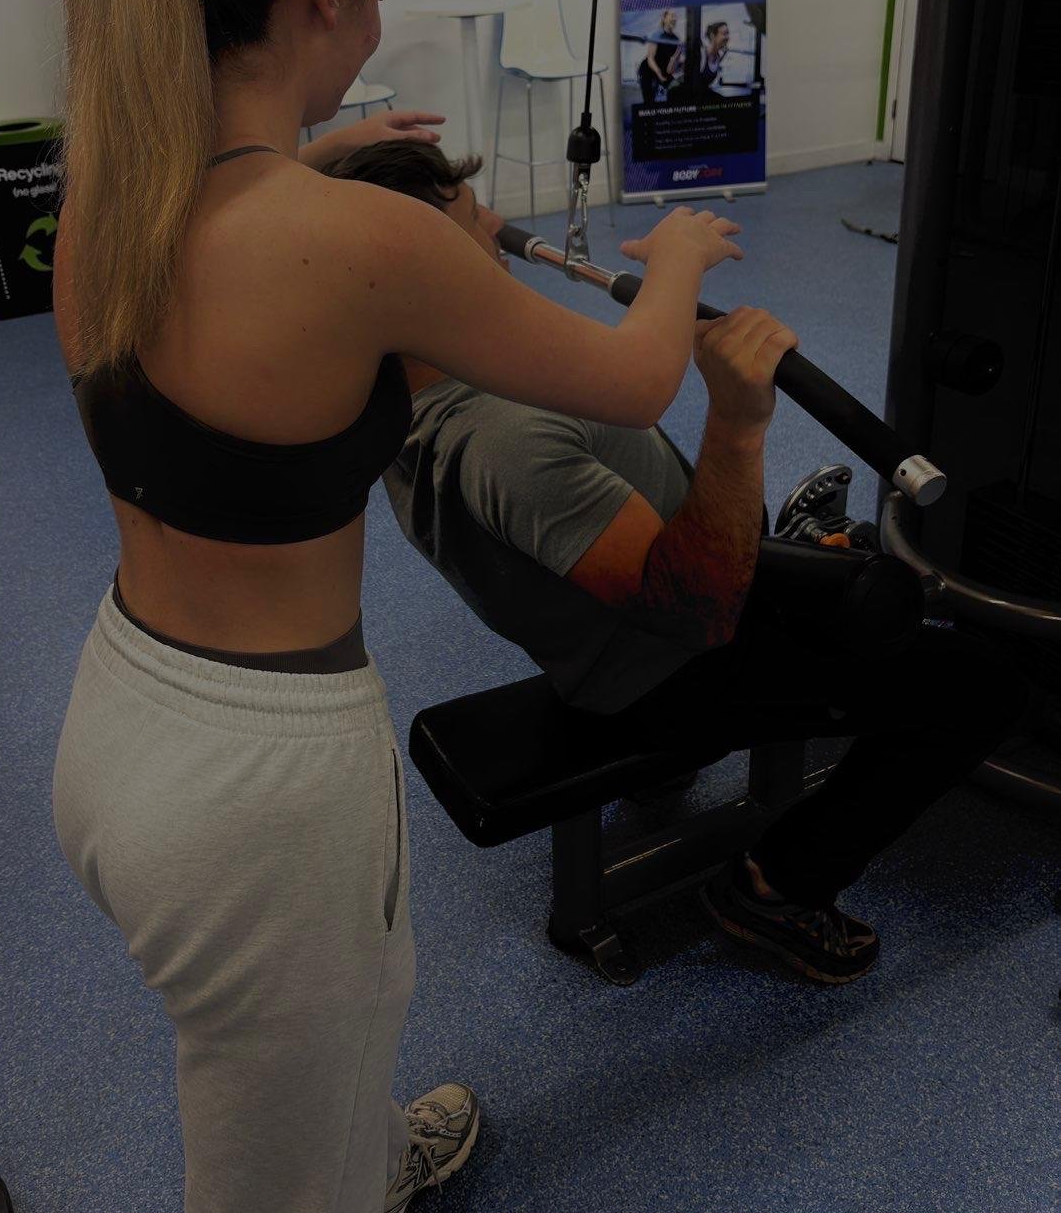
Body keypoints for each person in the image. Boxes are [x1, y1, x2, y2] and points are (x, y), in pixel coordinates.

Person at [48, 0, 742, 1212]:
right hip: (259, 794)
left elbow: (246, 219)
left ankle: (353, 1155)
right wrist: (670, 267)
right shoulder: (364, 249)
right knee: (269, 1178)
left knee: (297, 1065)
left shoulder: (114, 186)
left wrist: (319, 152)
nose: (372, 15)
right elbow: (632, 379)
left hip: (124, 718)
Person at [324, 139, 1032, 987]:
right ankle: (775, 889)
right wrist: (737, 417)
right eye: (476, 220)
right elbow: (697, 608)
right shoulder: (501, 440)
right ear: (430, 269)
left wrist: (337, 160)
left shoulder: (404, 371)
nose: (501, 233)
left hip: (636, 614)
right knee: (984, 683)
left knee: (801, 562)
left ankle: (793, 549)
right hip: (680, 657)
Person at [636, 8, 683, 103]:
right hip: (649, 68)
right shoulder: (657, 34)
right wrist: (659, 74)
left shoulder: (676, 39)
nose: (674, 18)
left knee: (677, 91)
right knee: (649, 99)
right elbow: (650, 58)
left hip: (664, 70)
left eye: (675, 17)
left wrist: (678, 57)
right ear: (664, 18)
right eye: (672, 16)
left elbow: (672, 64)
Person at [692, 19, 730, 95]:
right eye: (724, 34)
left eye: (728, 34)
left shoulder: (718, 57)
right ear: (713, 36)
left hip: (702, 94)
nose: (727, 37)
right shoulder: (701, 54)